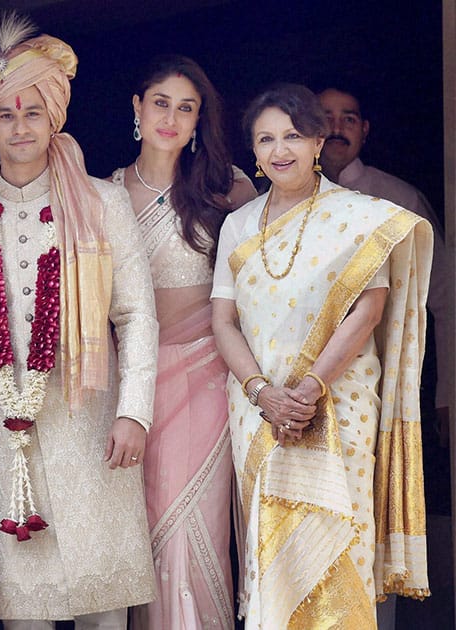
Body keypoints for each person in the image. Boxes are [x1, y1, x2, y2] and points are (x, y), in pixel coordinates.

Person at [0, 14, 158, 628]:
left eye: (33, 112)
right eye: (5, 115)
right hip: (3, 428)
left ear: (55, 117)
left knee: (102, 603)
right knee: (20, 603)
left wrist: (134, 412)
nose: (20, 127)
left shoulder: (102, 202)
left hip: (92, 425)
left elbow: (136, 315)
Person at [211, 83, 431, 627]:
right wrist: (263, 393)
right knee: (271, 552)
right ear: (254, 153)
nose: (278, 149)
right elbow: (223, 320)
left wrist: (308, 390)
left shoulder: (357, 217)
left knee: (339, 539)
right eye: (265, 139)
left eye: (292, 135)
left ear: (316, 141)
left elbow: (369, 310)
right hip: (260, 414)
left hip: (338, 405)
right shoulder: (238, 225)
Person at [110, 54, 256, 630]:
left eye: (186, 108)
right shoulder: (104, 193)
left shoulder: (229, 190)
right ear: (138, 109)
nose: (171, 118)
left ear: (200, 122)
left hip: (208, 379)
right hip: (132, 388)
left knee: (191, 530)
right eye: (161, 103)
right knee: (140, 534)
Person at [317, 86, 451, 433]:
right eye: (326, 117)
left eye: (348, 118)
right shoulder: (281, 201)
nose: (337, 127)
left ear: (364, 130)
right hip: (296, 384)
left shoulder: (399, 198)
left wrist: (448, 393)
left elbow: (446, 297)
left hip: (385, 385)